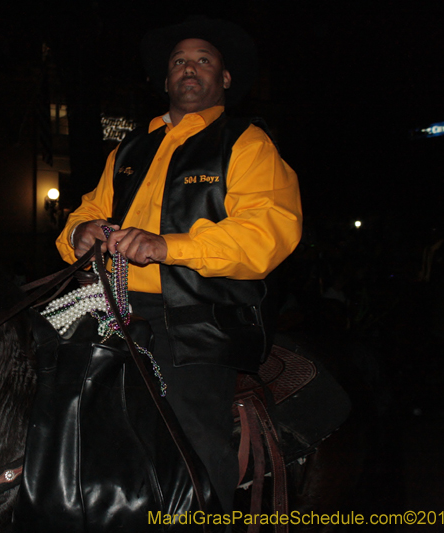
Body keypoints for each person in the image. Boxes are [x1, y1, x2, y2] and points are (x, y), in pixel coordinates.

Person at [55, 17, 302, 513]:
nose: (190, 69)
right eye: (179, 62)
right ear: (166, 80)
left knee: (192, 437)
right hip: (116, 309)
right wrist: (78, 234)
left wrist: (168, 247)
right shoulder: (128, 150)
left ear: (225, 79)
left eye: (203, 60)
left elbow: (269, 233)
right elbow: (86, 212)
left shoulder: (247, 143)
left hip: (196, 319)